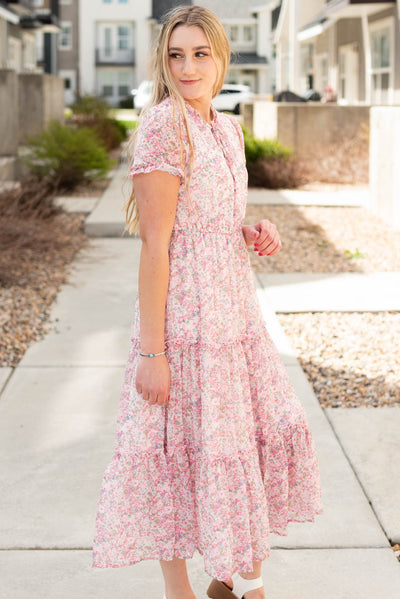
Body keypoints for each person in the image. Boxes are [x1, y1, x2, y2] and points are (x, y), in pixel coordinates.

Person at [92, 6, 323, 599]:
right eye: (176, 55)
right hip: (184, 318)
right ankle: (184, 592)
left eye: (200, 53)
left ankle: (232, 578)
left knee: (238, 438)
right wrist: (153, 351)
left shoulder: (225, 128)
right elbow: (156, 244)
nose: (187, 67)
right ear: (163, 63)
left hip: (233, 312)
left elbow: (213, 214)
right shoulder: (164, 125)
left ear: (221, 57)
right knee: (173, 448)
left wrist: (248, 230)